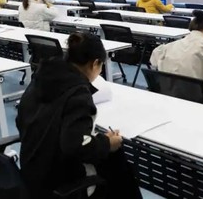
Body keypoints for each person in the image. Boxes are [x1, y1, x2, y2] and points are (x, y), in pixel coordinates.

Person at [16, 32, 142, 199]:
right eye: (101, 66)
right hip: (54, 184)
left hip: (31, 169)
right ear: (95, 63)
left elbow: (21, 121)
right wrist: (107, 142)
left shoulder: (42, 78)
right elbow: (75, 146)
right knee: (117, 164)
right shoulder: (78, 93)